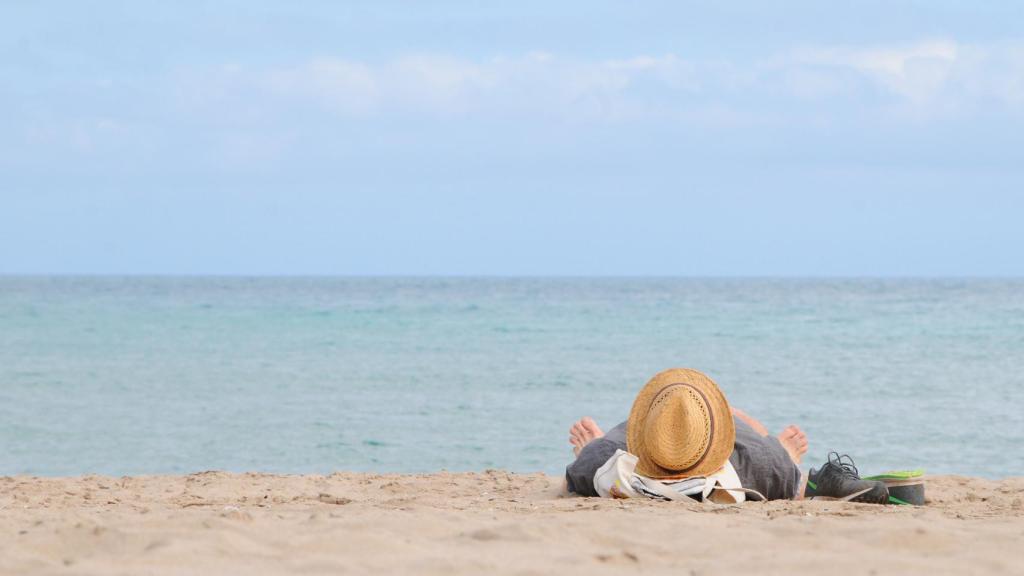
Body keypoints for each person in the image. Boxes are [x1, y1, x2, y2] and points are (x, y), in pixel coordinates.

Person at [564, 368, 888, 503]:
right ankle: (764, 438)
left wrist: (592, 448)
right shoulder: (757, 464)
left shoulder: (604, 466)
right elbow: (793, 483)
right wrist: (783, 457)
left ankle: (723, 422)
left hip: (639, 460)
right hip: (733, 468)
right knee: (771, 456)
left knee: (599, 451)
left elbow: (581, 470)